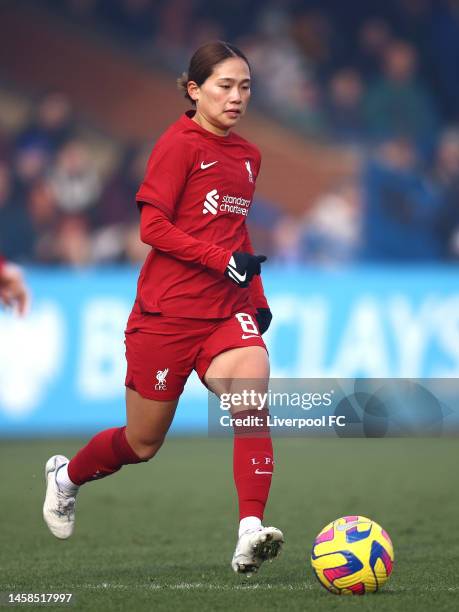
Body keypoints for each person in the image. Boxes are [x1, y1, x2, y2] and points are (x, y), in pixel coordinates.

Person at [43, 41, 284, 574]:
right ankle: (64, 478)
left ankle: (249, 530)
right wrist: (222, 260)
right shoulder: (177, 145)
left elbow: (236, 230)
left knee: (252, 394)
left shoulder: (249, 155)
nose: (237, 96)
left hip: (223, 313)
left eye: (245, 86)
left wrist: (256, 297)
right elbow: (153, 228)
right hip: (165, 317)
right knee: (142, 442)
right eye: (225, 85)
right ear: (195, 89)